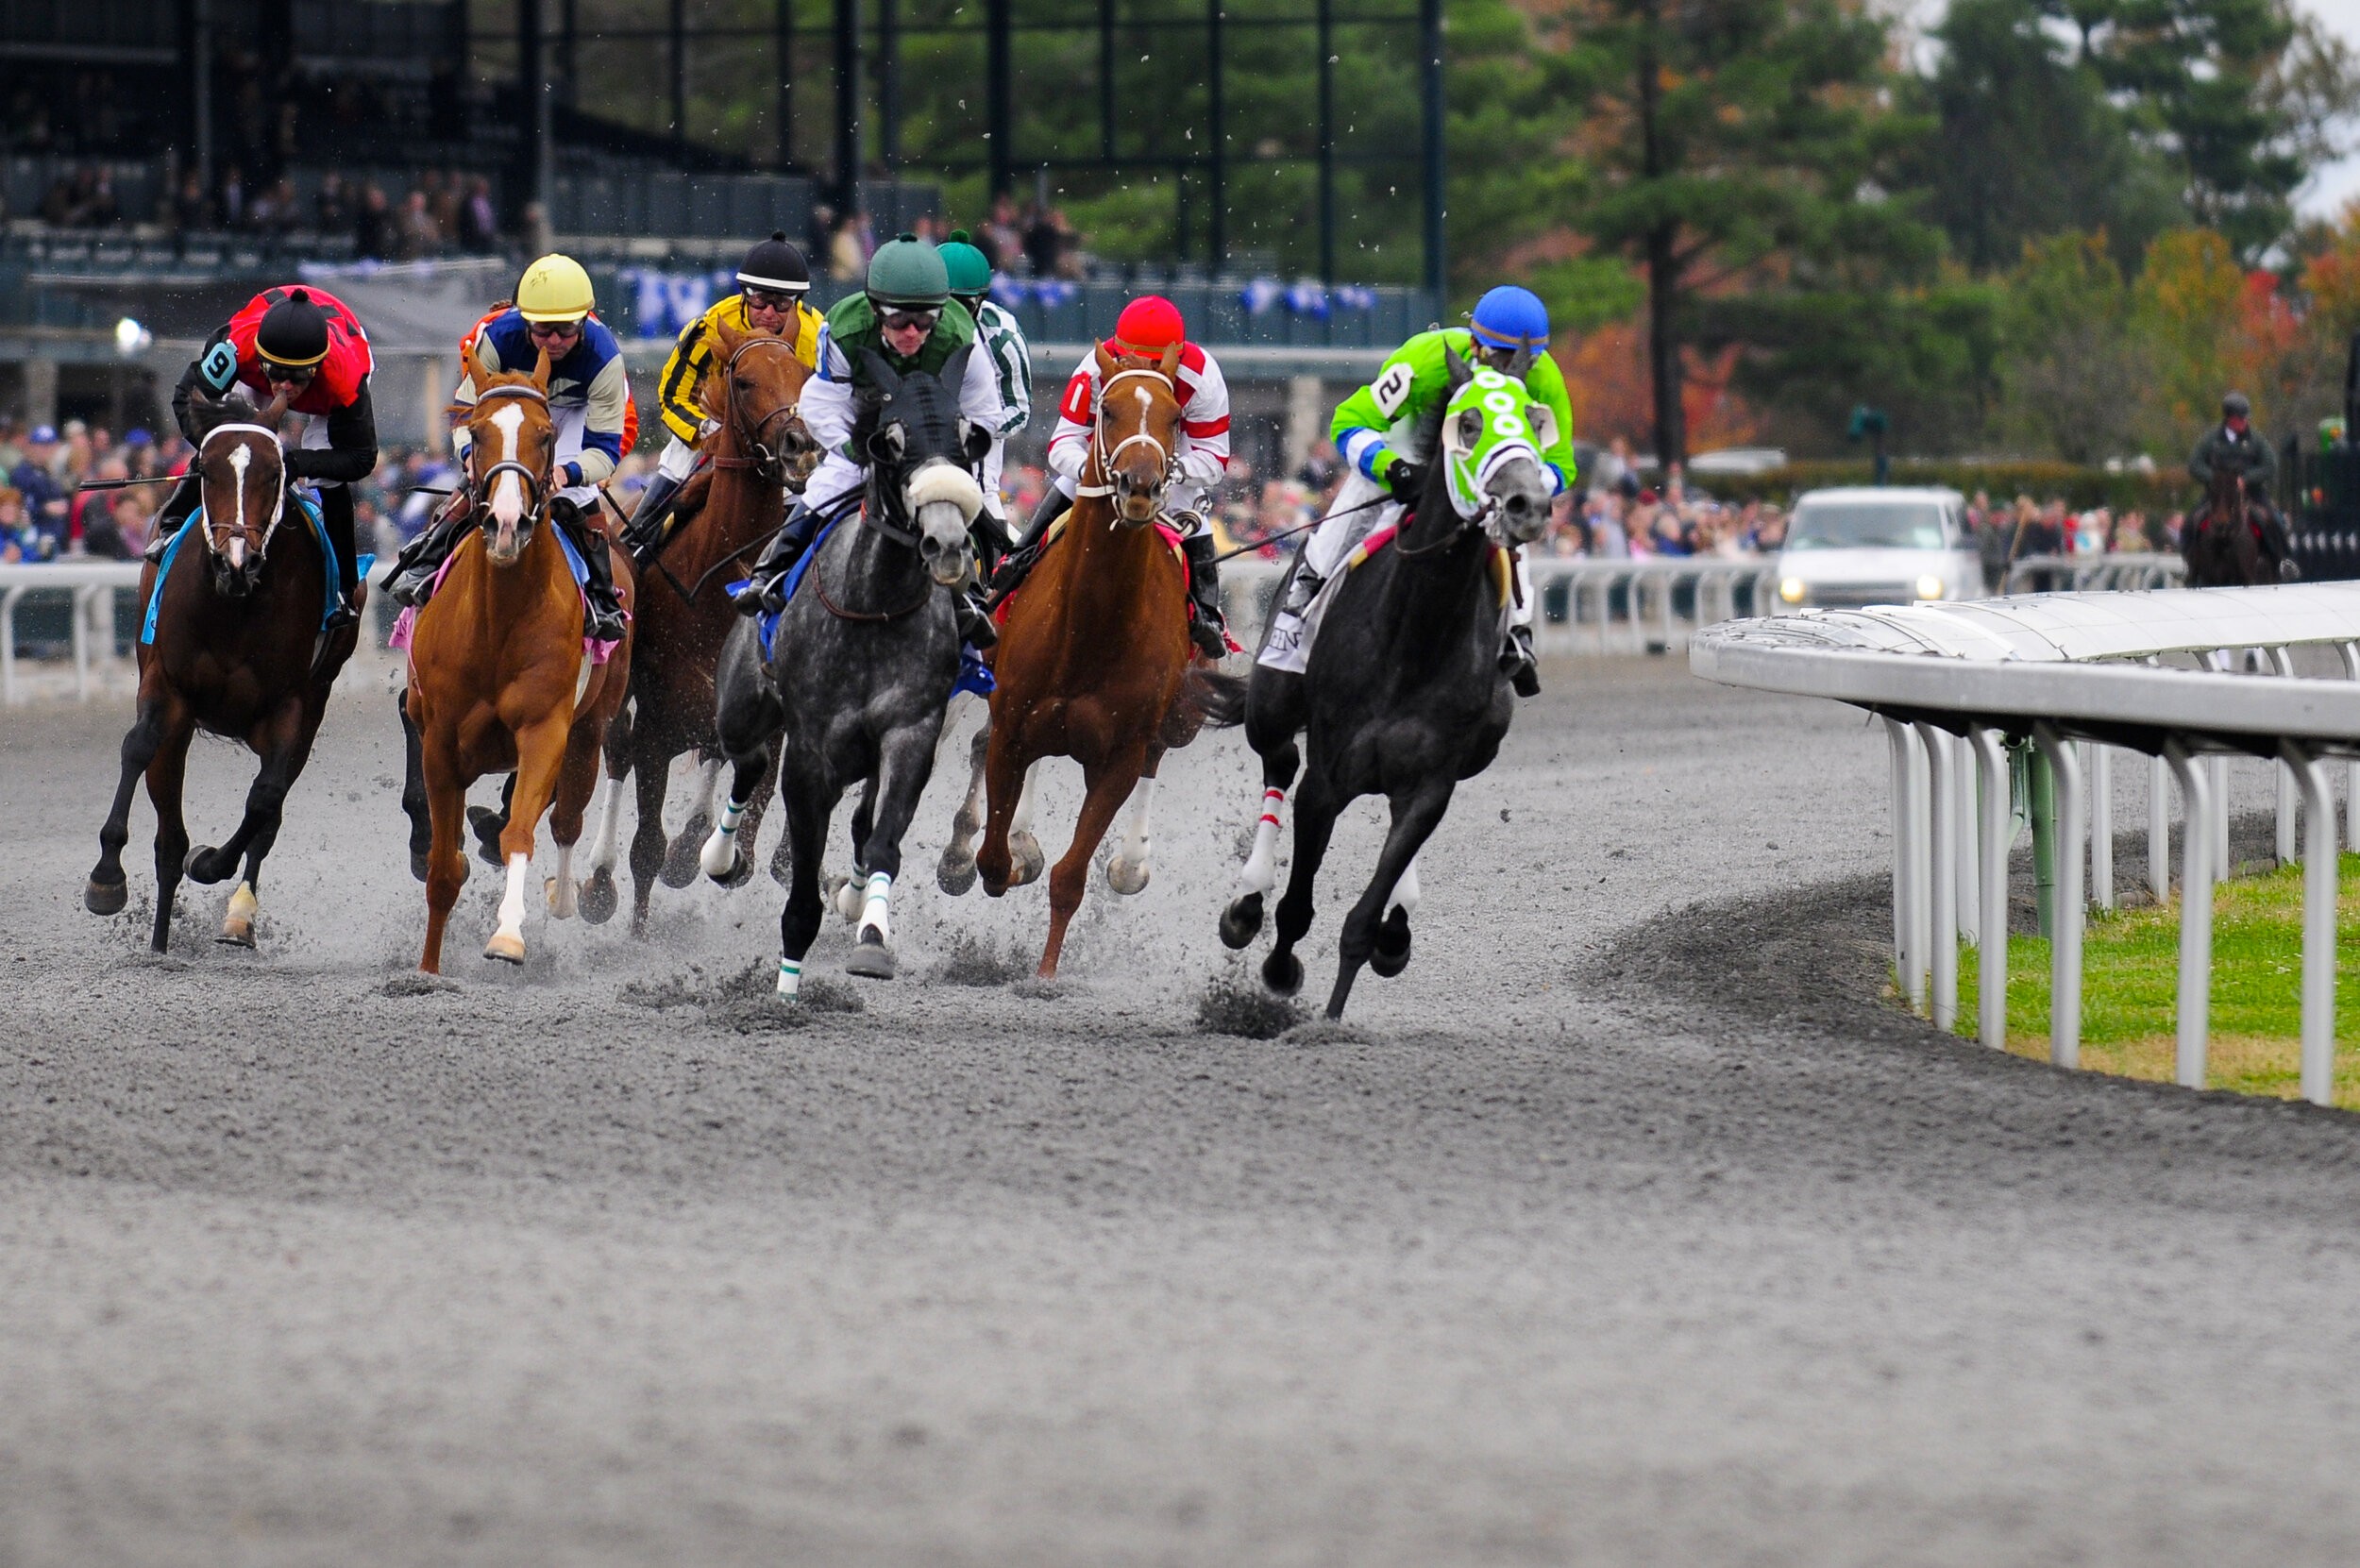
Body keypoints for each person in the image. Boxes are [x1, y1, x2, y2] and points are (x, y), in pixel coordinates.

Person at [1260, 285, 1576, 696]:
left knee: (1514, 509)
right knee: (1354, 502)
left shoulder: (1544, 380)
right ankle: (1301, 600)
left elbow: (1561, 464)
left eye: (1525, 360)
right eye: (1500, 357)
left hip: (1481, 470)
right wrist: (1390, 467)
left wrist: (1530, 483)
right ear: (1476, 345)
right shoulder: (1428, 359)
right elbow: (1349, 422)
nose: (1511, 369)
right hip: (1404, 450)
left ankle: (1518, 630)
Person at [730, 233, 1006, 651]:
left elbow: (985, 413)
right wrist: (853, 451)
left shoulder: (961, 334)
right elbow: (823, 403)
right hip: (864, 424)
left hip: (933, 440)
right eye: (899, 320)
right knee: (825, 490)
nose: (912, 332)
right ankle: (770, 573)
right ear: (876, 310)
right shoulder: (844, 328)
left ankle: (970, 597)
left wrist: (950, 460)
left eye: (925, 320)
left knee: (968, 504)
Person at [387, 254, 629, 642]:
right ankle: (426, 558)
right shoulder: (497, 338)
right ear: (525, 320)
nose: (553, 341)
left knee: (578, 492)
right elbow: (466, 413)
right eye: (543, 330)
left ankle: (601, 596)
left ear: (585, 320)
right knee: (488, 478)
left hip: (572, 414)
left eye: (565, 330)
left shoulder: (604, 359)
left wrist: (567, 473)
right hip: (511, 406)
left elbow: (604, 449)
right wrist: (471, 458)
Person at [986, 295, 1235, 659]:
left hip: (1170, 462)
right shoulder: (1092, 369)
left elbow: (1213, 459)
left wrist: (1168, 470)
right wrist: (1101, 468)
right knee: (1068, 484)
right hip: (1107, 459)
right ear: (1117, 351)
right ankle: (1016, 564)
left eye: (1154, 363)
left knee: (1194, 510)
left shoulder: (1202, 376)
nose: (1144, 370)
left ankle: (1207, 614)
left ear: (1176, 357)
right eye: (1132, 359)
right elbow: (1063, 444)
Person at [144, 285, 379, 629]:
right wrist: (219, 448)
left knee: (330, 481)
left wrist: (298, 462)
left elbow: (362, 459)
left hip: (342, 346)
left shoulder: (345, 378)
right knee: (229, 447)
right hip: (257, 355)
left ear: (315, 369)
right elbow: (185, 399)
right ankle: (173, 523)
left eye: (295, 378)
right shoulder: (235, 345)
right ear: (261, 359)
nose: (284, 387)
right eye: (277, 373)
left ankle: (344, 587)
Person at [622, 230, 825, 562]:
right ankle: (623, 578)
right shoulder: (711, 327)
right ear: (744, 294)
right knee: (642, 534)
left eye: (782, 302)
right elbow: (673, 395)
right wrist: (705, 432)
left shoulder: (816, 336)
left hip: (783, 435)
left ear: (797, 301)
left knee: (818, 516)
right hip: (711, 429)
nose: (769, 312)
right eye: (760, 299)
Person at [939, 228, 1032, 544]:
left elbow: (1018, 411)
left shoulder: (1003, 338)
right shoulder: (908, 327)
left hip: (979, 442)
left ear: (980, 302)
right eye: (942, 304)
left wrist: (969, 429)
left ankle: (1008, 563)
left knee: (978, 498)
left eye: (960, 306)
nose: (950, 316)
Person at [2189, 391, 2296, 581]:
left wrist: (2246, 479)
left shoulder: (2256, 440)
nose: (2245, 422)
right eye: (2242, 419)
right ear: (2230, 419)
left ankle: (2283, 561)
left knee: (2273, 520)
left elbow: (2269, 465)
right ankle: (2190, 566)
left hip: (2251, 494)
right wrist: (2216, 480)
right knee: (2193, 520)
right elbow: (2195, 464)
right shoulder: (2211, 440)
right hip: (2219, 495)